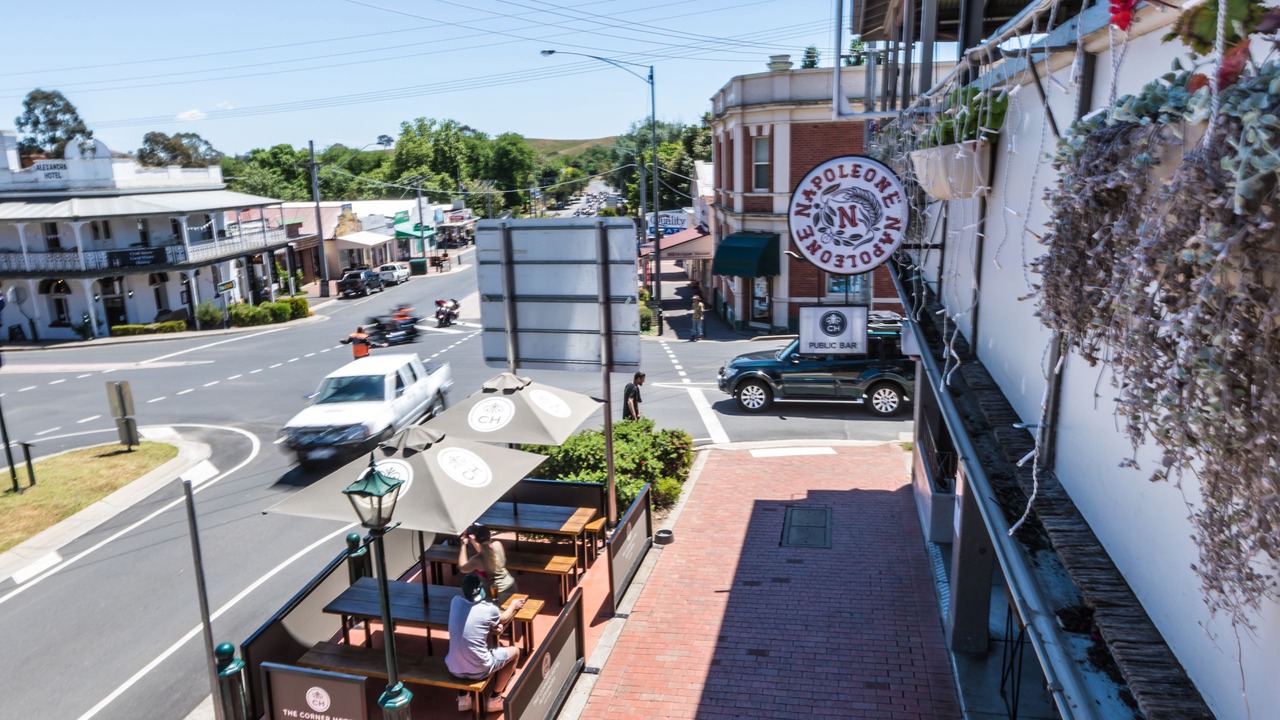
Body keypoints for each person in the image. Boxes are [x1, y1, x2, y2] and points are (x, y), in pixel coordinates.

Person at [446, 572, 525, 714]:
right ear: (481, 590)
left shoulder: (455, 602)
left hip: (453, 667)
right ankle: (495, 698)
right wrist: (513, 605)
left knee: (460, 647)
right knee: (515, 652)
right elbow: (505, 617)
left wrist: (490, 625)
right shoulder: (489, 609)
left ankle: (463, 698)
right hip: (479, 669)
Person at [458, 523, 517, 605]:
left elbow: (462, 568)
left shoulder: (476, 560)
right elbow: (486, 554)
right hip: (511, 585)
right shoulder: (498, 545)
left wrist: (463, 545)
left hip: (497, 593)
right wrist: (473, 540)